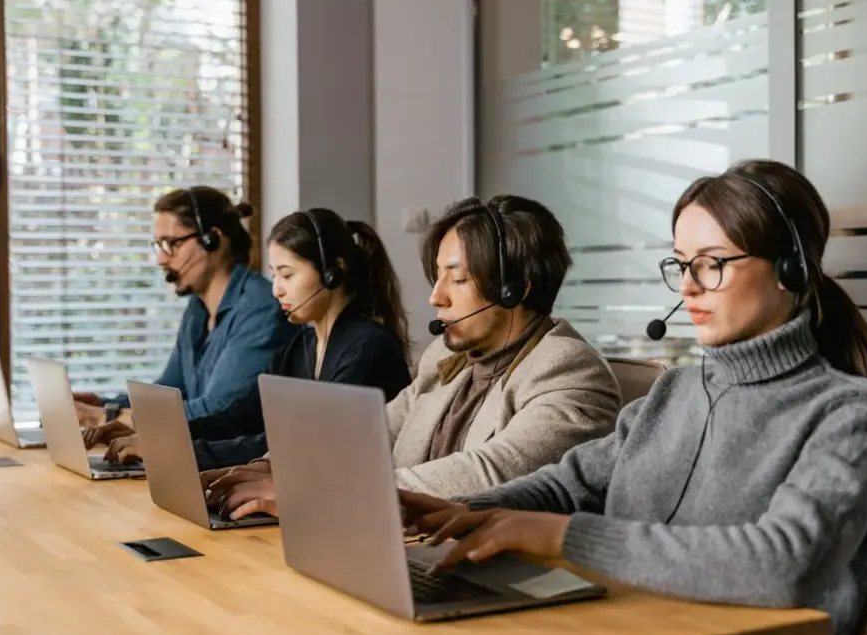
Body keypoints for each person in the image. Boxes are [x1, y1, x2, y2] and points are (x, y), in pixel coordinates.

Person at [398, 160, 867, 635]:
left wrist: (561, 535)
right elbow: (567, 484)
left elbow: (784, 564)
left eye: (711, 263)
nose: (687, 287)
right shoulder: (675, 391)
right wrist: (462, 509)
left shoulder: (848, 412)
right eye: (681, 264)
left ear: (789, 270)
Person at [203, 194, 623, 520]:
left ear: (517, 288)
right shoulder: (451, 357)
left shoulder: (568, 369)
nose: (435, 296)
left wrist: (313, 492)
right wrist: (275, 468)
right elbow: (373, 431)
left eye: (456, 279)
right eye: (437, 276)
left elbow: (493, 473)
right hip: (407, 546)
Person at [89, 208, 413, 468]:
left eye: (287, 275)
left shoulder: (366, 347)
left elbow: (300, 443)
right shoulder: (302, 344)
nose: (277, 289)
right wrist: (161, 433)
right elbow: (242, 415)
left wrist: (178, 450)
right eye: (274, 276)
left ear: (333, 271)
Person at [74, 186, 295, 432]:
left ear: (213, 240)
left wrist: (105, 418)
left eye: (172, 244)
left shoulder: (260, 308)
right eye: (158, 245)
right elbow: (170, 390)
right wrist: (106, 405)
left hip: (231, 464)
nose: (161, 259)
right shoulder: (197, 309)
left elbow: (217, 409)